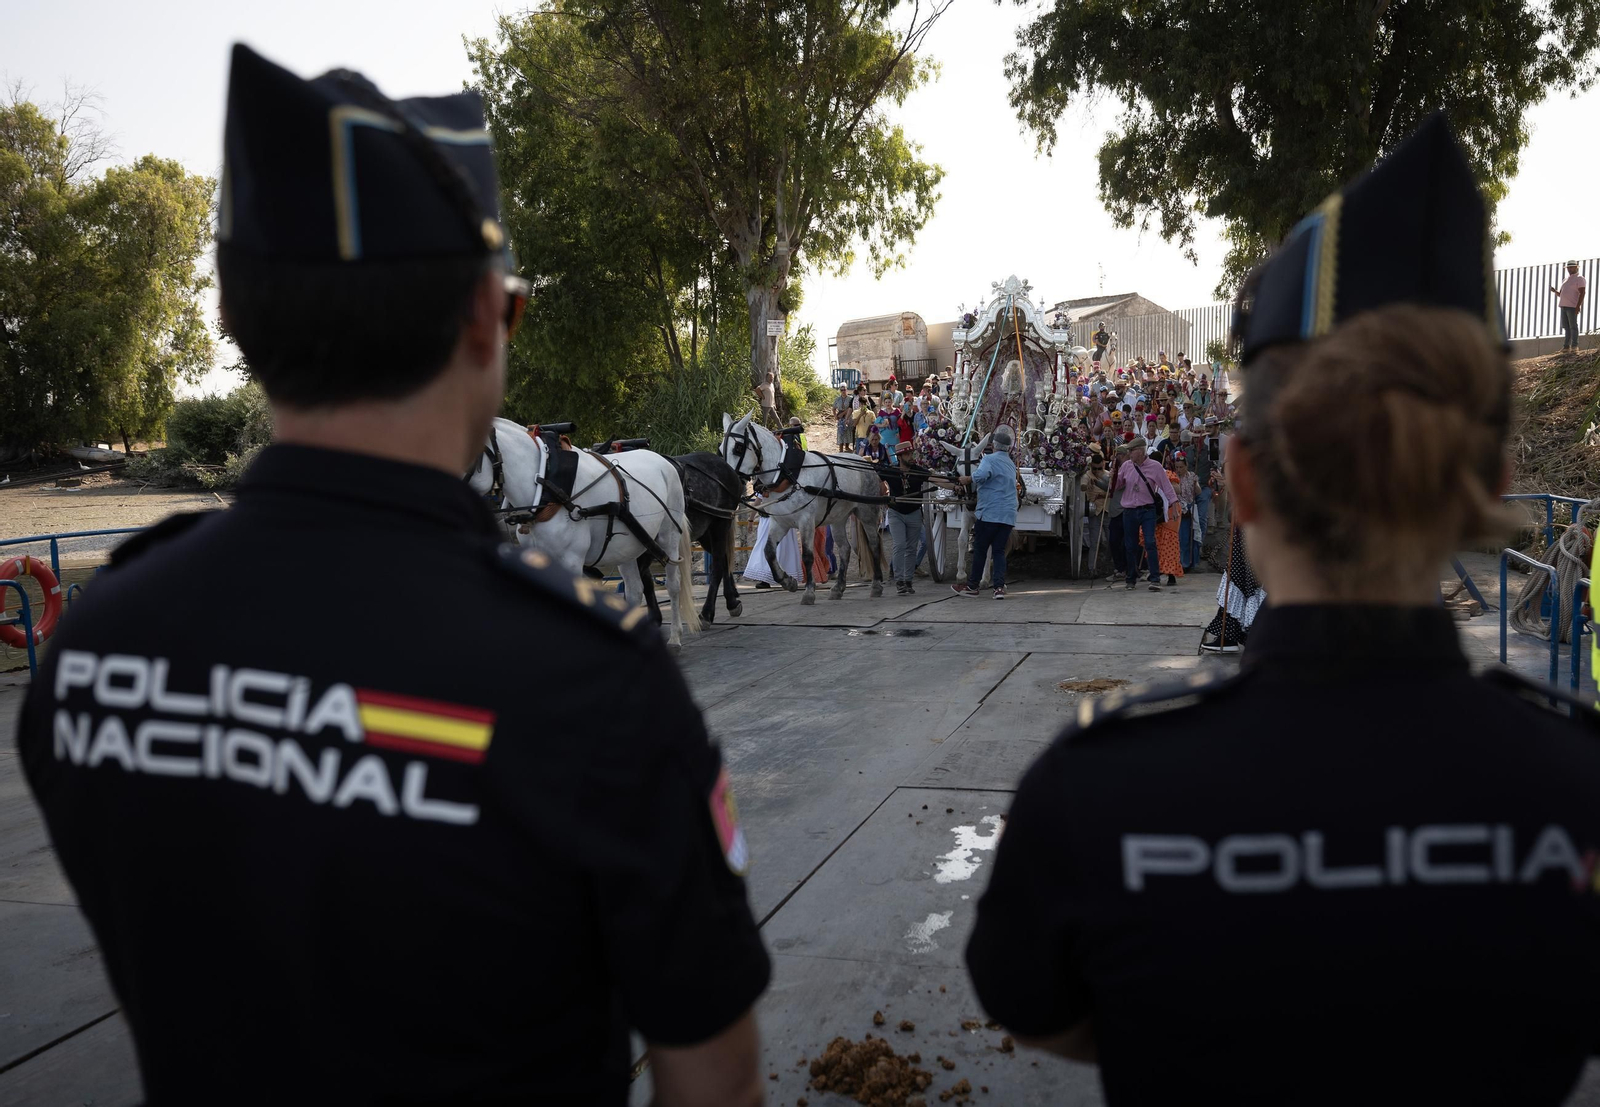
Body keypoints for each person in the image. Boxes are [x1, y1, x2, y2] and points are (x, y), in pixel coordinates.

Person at [16, 45, 769, 1107]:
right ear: (488, 319)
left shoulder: (95, 646)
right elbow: (716, 1082)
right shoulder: (593, 682)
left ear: (238, 320)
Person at [966, 111, 1600, 1107]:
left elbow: (1036, 1008)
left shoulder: (1095, 794)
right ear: (1489, 482)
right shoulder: (1576, 785)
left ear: (1242, 482)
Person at [951, 425, 1018, 599]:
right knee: (998, 551)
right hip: (1008, 515)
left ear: (994, 445)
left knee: (980, 548)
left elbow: (981, 475)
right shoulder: (1011, 464)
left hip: (990, 513)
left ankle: (972, 586)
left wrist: (968, 479)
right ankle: (999, 588)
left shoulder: (989, 459)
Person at [1109, 438, 1171, 591]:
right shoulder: (1126, 466)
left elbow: (1166, 486)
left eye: (1132, 450)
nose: (1129, 453)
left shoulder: (1155, 466)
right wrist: (1113, 477)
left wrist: (1174, 503)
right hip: (1129, 511)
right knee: (1130, 546)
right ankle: (1131, 578)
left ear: (1141, 451)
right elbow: (1116, 487)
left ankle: (1155, 578)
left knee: (1150, 542)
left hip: (1147, 509)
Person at [883, 442, 928, 595]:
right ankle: (899, 580)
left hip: (914, 513)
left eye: (911, 453)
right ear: (900, 457)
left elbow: (936, 479)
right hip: (896, 513)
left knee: (911, 547)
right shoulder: (891, 471)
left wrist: (955, 485)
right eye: (908, 454)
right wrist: (880, 494)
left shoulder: (918, 471)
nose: (911, 457)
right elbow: (875, 479)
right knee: (900, 545)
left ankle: (908, 580)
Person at [1172, 451, 1200, 572]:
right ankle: (1182, 562)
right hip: (1178, 508)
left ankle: (1190, 562)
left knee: (1191, 537)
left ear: (1186, 466)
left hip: (1190, 507)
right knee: (1182, 537)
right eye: (1177, 467)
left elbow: (1198, 492)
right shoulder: (1173, 477)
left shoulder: (1192, 476)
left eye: (1181, 467)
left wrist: (1195, 484)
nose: (1179, 470)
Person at [1552, 260, 1587, 352]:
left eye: (1571, 267)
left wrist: (1578, 306)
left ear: (1576, 267)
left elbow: (1582, 293)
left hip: (1572, 306)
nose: (1569, 269)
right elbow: (1561, 294)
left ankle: (1574, 346)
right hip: (1563, 306)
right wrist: (1555, 291)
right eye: (1568, 267)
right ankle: (1566, 347)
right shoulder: (1565, 280)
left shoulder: (1580, 278)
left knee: (1573, 326)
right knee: (1566, 327)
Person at [834, 384, 854, 451]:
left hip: (848, 416)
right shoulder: (837, 399)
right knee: (840, 432)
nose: (843, 391)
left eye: (844, 390)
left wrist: (843, 413)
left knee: (848, 431)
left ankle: (847, 447)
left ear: (846, 390)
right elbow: (834, 408)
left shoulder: (850, 398)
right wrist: (835, 415)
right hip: (840, 417)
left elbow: (851, 408)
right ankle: (841, 448)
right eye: (841, 390)